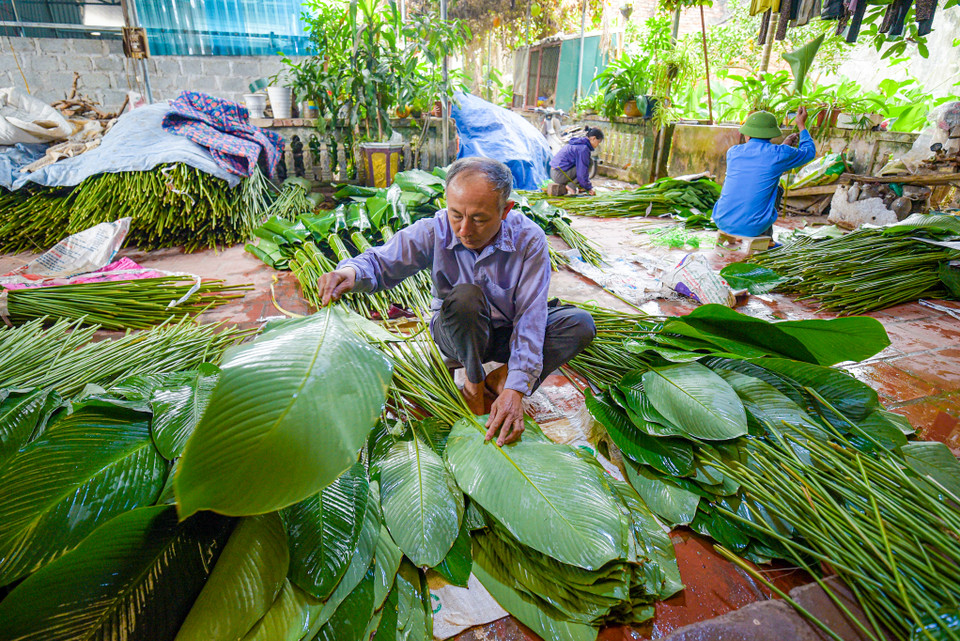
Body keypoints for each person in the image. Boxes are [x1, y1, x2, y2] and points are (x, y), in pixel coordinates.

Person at [317, 157, 596, 446]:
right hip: (456, 335)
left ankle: (499, 381)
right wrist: (348, 272)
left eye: (478, 219)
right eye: (456, 215)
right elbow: (381, 259)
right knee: (466, 297)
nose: (464, 230)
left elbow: (530, 316)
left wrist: (517, 388)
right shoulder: (435, 229)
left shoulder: (529, 240)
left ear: (505, 210)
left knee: (579, 324)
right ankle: (474, 385)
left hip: (504, 334)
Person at [712, 106, 815, 240]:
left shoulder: (733, 152)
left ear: (746, 134)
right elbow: (809, 152)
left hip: (722, 220)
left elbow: (763, 164)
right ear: (771, 134)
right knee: (776, 189)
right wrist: (801, 125)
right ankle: (765, 236)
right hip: (752, 227)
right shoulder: (779, 154)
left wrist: (784, 146)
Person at [550, 128, 603, 195]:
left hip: (554, 173)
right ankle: (571, 187)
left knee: (584, 163)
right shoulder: (583, 149)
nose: (597, 145)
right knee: (589, 163)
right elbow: (582, 173)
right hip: (559, 175)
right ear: (593, 138)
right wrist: (589, 188)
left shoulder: (579, 143)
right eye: (598, 142)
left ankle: (579, 187)